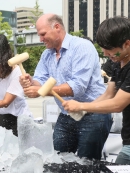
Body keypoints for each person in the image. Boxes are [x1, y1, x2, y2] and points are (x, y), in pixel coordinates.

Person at [19, 14, 112, 160]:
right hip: (66, 115)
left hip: (93, 114)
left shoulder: (82, 47)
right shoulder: (46, 55)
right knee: (56, 160)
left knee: (86, 164)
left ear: (57, 27)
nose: (40, 39)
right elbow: (40, 81)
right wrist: (30, 82)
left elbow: (77, 87)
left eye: (43, 34)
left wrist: (41, 91)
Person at [62, 16, 130, 164]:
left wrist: (80, 105)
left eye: (110, 50)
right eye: (103, 49)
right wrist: (84, 111)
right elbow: (109, 94)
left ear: (127, 44)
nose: (105, 54)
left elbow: (117, 105)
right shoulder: (117, 63)